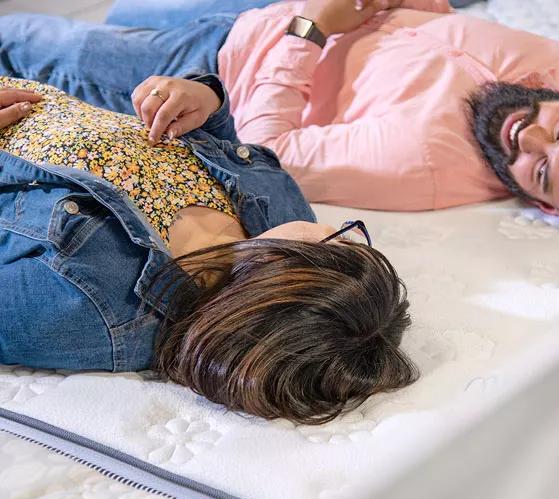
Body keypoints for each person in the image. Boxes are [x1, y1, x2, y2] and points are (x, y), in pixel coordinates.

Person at [0, 0, 559, 230]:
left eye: (539, 172)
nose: (524, 136)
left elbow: (267, 153)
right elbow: (434, 30)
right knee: (121, 10)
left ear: (549, 209)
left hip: (220, 60)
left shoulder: (421, 163)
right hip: (273, 9)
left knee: (25, 41)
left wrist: (314, 25)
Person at [0, 75, 418, 425]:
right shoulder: (279, 216)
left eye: (339, 242)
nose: (335, 227)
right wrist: (205, 99)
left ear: (275, 277)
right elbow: (215, 143)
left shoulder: (86, 309)